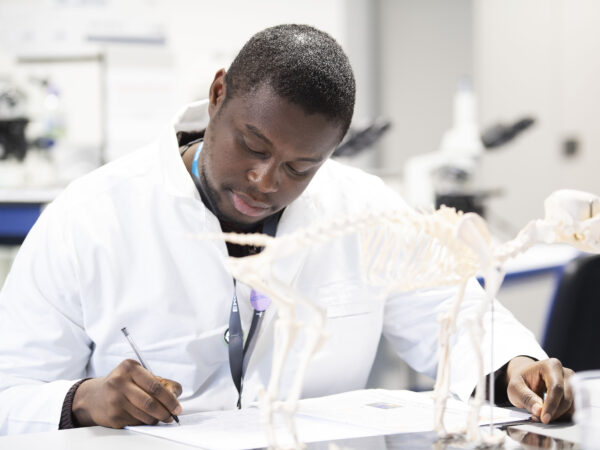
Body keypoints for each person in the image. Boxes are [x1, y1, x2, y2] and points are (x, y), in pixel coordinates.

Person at [0, 24, 573, 436]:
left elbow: (456, 319)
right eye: (252, 145)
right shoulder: (87, 218)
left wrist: (517, 366)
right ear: (218, 93)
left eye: (301, 167)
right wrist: (85, 399)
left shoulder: (363, 208)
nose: (264, 180)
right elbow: (10, 393)